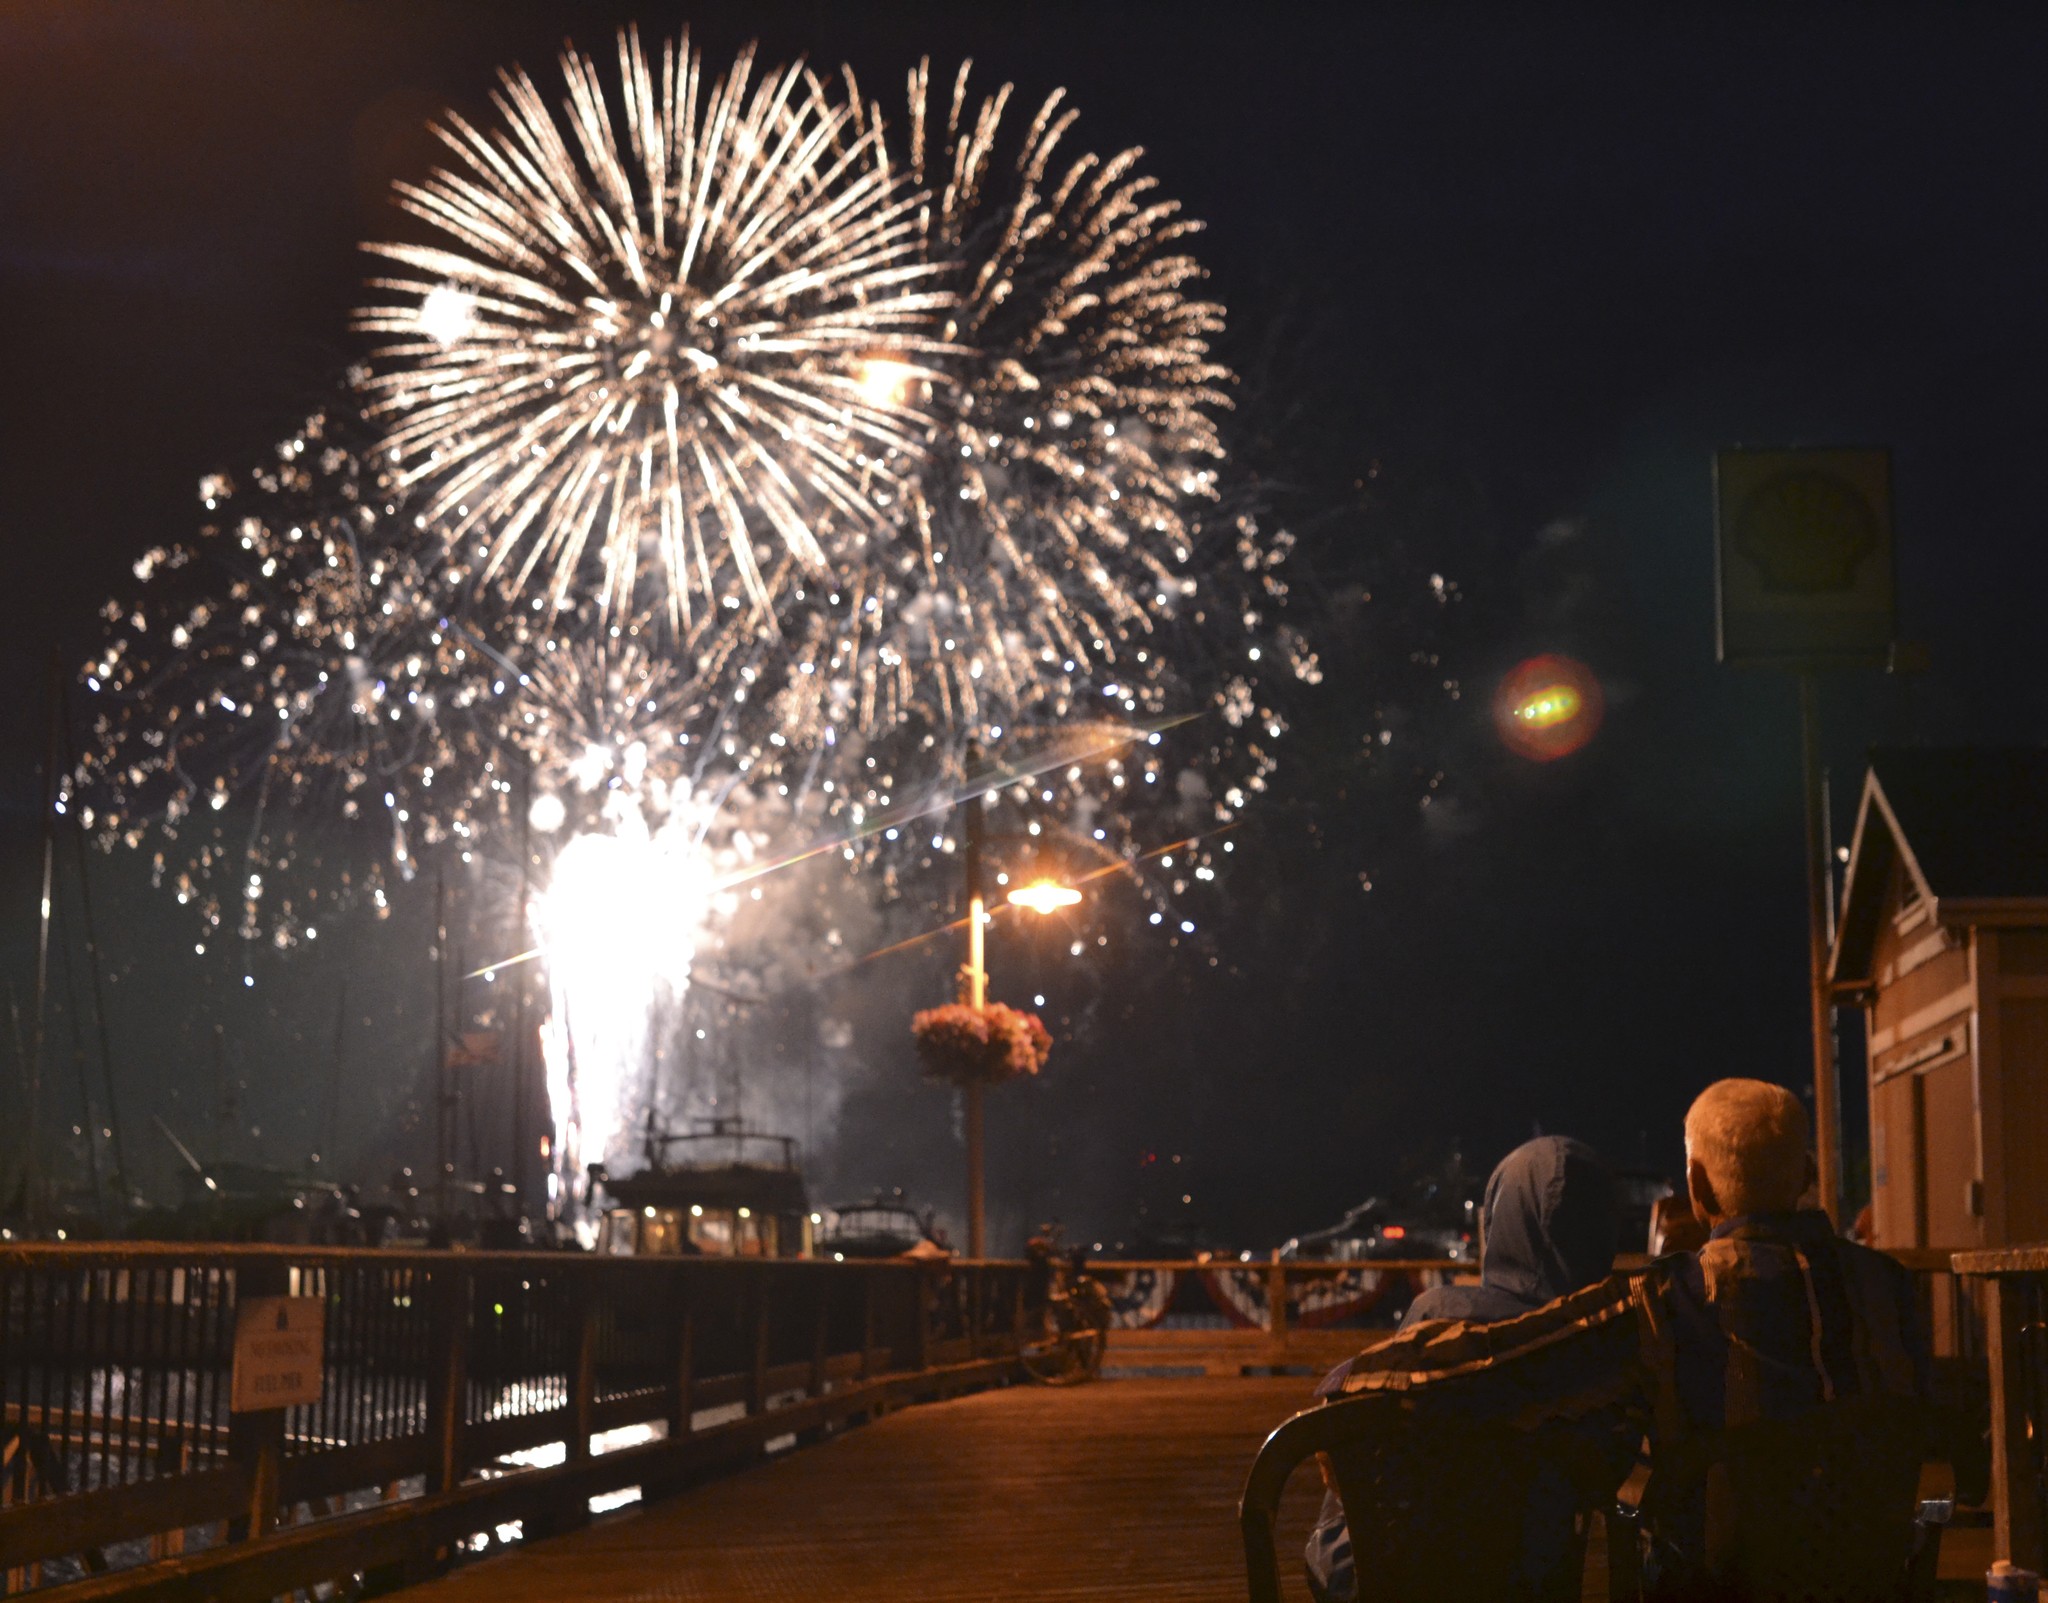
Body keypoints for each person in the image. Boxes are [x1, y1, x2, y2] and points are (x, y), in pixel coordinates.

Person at [1641, 1078, 1933, 1591]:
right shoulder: (1888, 1284)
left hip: (1718, 1587)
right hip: (1868, 1581)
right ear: (1808, 1174)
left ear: (1697, 1185)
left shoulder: (1669, 1296)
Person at [1304, 1136, 1622, 1602]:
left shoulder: (1441, 1315)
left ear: (1501, 1218)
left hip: (1407, 1573)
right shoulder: (1604, 1335)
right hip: (1536, 1573)